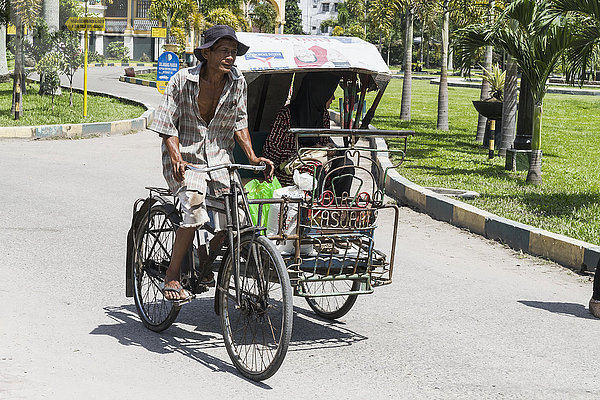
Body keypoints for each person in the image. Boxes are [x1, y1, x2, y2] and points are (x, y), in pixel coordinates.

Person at [150, 25, 274, 301]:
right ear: (206, 53)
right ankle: (171, 277)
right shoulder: (182, 80)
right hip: (186, 158)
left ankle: (203, 257)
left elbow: (240, 123)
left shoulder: (237, 82)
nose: (230, 57)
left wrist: (253, 157)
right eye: (223, 51)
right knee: (194, 208)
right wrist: (176, 157)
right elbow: (165, 123)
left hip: (219, 159)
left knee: (239, 219)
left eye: (233, 52)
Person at [263, 72, 354, 194]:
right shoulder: (286, 115)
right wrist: (306, 149)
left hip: (318, 161)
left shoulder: (323, 115)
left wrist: (327, 148)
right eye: (330, 92)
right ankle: (317, 207)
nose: (333, 98)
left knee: (346, 166)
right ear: (319, 92)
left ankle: (338, 203)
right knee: (314, 169)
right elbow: (271, 152)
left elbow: (324, 145)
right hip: (290, 168)